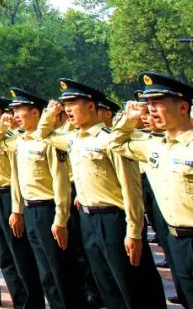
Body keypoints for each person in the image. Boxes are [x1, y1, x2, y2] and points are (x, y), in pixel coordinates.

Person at [38, 78, 166, 309]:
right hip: (88, 219)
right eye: (65, 104)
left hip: (113, 219)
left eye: (73, 103)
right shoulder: (73, 139)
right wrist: (49, 114)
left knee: (129, 285)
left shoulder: (109, 139)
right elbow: (43, 135)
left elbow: (131, 189)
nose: (67, 109)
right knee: (105, 283)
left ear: (90, 106)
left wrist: (135, 231)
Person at [106, 72, 193, 308]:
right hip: (175, 239)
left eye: (158, 103)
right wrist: (129, 119)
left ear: (183, 107)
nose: (151, 109)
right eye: (149, 103)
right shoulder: (153, 146)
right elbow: (115, 143)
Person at [3, 86, 87, 309]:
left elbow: (61, 183)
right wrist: (17, 210)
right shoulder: (20, 141)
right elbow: (17, 179)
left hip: (49, 211)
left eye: (19, 110)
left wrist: (60, 219)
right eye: (14, 111)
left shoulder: (51, 141)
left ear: (35, 113)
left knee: (62, 272)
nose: (15, 116)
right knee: (46, 273)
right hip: (30, 211)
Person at [0, 89, 44, 309]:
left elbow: (16, 175)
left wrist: (17, 209)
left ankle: (32, 303)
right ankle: (19, 301)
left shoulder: (12, 138)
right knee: (4, 258)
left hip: (9, 197)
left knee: (20, 256)